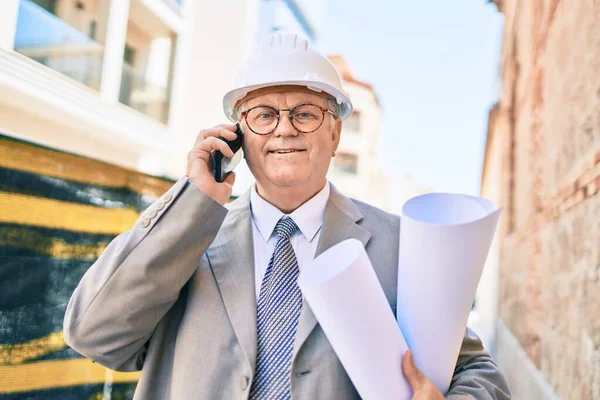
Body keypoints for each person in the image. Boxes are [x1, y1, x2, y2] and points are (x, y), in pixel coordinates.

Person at [63, 33, 511, 400]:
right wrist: (192, 199)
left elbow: (478, 372)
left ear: (335, 133)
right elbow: (94, 335)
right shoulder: (187, 237)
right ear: (236, 135)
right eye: (263, 115)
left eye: (305, 113)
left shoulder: (399, 244)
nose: (284, 128)